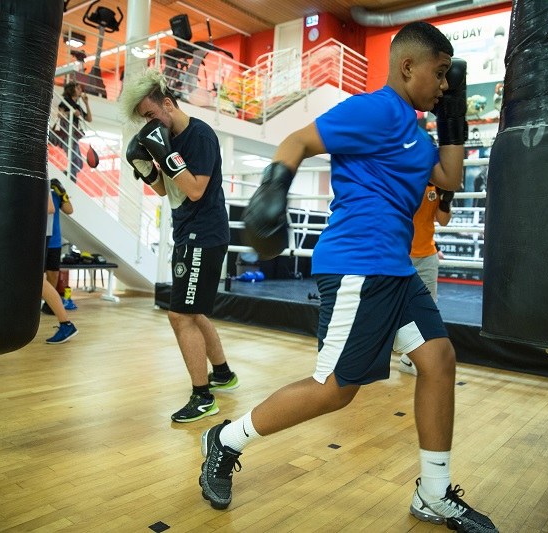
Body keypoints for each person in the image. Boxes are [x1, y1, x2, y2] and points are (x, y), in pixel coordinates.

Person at [198, 22, 498, 533]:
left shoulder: (414, 130)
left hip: (396, 270)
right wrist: (273, 191)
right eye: (440, 74)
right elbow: (298, 139)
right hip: (359, 266)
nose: (445, 85)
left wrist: (452, 119)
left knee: (439, 359)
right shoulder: (375, 109)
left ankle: (433, 493)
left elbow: (446, 178)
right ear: (408, 67)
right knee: (334, 388)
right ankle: (225, 441)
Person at [120, 68, 239, 423]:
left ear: (167, 104)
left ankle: (203, 397)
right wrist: (146, 168)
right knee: (194, 311)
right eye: (144, 119)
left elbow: (196, 189)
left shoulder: (199, 135)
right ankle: (222, 374)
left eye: (150, 115)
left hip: (204, 234)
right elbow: (165, 190)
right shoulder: (167, 137)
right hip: (186, 232)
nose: (148, 124)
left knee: (179, 314)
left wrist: (165, 155)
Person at [399, 181, 453, 376]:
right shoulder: (406, 177)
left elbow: (443, 220)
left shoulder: (435, 187)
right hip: (400, 252)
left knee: (428, 306)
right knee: (392, 304)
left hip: (427, 255)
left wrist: (445, 200)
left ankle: (408, 359)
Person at [43, 192, 78, 344]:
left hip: (44, 237)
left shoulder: (41, 174)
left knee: (41, 280)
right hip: (37, 235)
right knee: (35, 281)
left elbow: (51, 208)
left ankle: (65, 323)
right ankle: (65, 323)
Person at [42, 178, 76, 314]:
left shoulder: (54, 191)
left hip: (55, 240)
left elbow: (69, 210)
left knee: (53, 274)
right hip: (40, 238)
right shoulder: (39, 188)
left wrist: (63, 194)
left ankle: (49, 304)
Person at [58, 81, 92, 183]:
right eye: (78, 88)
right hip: (68, 132)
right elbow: (60, 114)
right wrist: (71, 112)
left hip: (74, 134)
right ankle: (69, 181)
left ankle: (65, 177)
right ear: (72, 90)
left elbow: (89, 119)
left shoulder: (77, 105)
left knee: (78, 163)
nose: (80, 90)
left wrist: (86, 103)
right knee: (75, 162)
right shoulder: (66, 101)